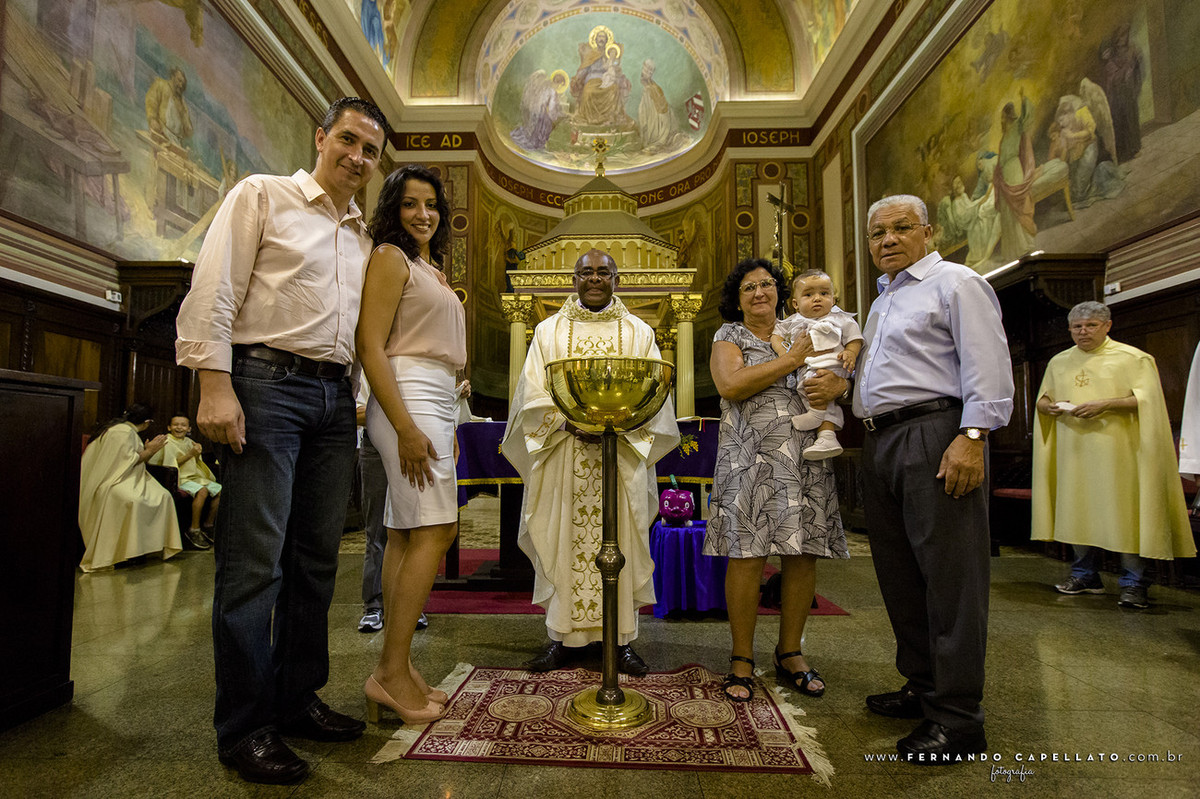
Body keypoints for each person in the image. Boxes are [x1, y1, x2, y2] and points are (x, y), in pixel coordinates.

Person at [175, 97, 388, 785]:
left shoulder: (361, 238)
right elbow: (216, 286)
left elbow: (358, 330)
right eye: (348, 141)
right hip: (265, 382)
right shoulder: (262, 195)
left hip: (331, 399)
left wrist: (353, 397)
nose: (357, 157)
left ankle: (296, 698)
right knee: (253, 564)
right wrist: (215, 383)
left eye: (370, 152)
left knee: (314, 560)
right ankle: (245, 725)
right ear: (321, 137)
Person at [850, 194, 1013, 764]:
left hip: (937, 433)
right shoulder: (883, 300)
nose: (888, 240)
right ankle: (923, 686)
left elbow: (986, 362)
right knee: (901, 576)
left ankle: (959, 720)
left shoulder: (957, 283)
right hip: (882, 439)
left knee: (951, 579)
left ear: (928, 231)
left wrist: (973, 436)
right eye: (877, 233)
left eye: (900, 229)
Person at [501, 248, 679, 675]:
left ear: (617, 279)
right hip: (565, 453)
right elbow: (531, 392)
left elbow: (655, 396)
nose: (595, 279)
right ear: (573, 278)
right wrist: (565, 424)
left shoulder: (639, 333)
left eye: (603, 272)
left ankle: (622, 641)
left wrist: (617, 425)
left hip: (620, 456)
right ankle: (560, 637)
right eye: (586, 272)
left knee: (625, 540)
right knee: (561, 537)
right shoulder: (548, 332)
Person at [707, 258, 849, 703]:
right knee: (747, 556)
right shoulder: (729, 336)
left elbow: (839, 369)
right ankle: (742, 657)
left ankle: (791, 652)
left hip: (805, 455)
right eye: (748, 288)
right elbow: (730, 385)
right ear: (737, 299)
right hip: (748, 456)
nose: (758, 293)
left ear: (780, 292)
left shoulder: (805, 327)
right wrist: (789, 360)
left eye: (766, 285)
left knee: (802, 552)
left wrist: (837, 388)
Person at [357, 164, 463, 725]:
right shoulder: (389, 257)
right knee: (436, 530)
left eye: (431, 205)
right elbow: (371, 346)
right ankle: (392, 672)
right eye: (409, 205)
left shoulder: (427, 265)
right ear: (391, 210)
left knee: (403, 533)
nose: (423, 214)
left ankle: (392, 667)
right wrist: (405, 426)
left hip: (434, 397)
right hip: (408, 394)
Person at [1032, 301, 1194, 608]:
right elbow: (1043, 400)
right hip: (1075, 452)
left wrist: (1106, 403)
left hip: (1120, 453)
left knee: (1124, 514)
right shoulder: (1059, 361)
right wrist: (1049, 407)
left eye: (1091, 325)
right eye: (1077, 327)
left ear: (1107, 326)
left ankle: (1133, 583)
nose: (1083, 332)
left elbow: (1148, 402)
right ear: (1069, 329)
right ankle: (1085, 575)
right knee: (1077, 511)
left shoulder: (1134, 358)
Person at [769, 269, 863, 460]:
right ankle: (827, 436)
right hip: (807, 365)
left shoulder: (840, 319)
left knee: (816, 385)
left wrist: (850, 352)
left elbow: (855, 338)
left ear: (834, 299)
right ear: (795, 304)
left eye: (824, 293)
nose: (817, 298)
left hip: (834, 364)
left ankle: (820, 422)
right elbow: (776, 335)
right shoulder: (794, 321)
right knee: (808, 387)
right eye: (809, 294)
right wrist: (783, 352)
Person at [79, 403, 183, 572]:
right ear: (147, 421)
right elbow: (124, 462)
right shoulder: (122, 432)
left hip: (128, 477)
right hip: (110, 481)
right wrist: (150, 451)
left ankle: (146, 550)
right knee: (134, 501)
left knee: (163, 496)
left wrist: (146, 450)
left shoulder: (124, 430)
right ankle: (128, 553)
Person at [150, 414, 221, 549]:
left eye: (183, 425)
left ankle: (208, 524)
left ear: (189, 428)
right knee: (203, 491)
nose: (179, 427)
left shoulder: (189, 442)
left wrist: (197, 453)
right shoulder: (167, 442)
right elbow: (171, 465)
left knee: (220, 490)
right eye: (176, 424)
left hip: (193, 477)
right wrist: (190, 454)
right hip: (179, 478)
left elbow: (196, 463)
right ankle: (194, 529)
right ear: (169, 427)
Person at [144, 67, 193, 147]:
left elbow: (188, 130)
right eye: (179, 81)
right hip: (161, 135)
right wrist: (152, 119)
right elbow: (151, 101)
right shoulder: (160, 84)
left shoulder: (182, 102)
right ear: (172, 77)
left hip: (176, 143)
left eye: (183, 84)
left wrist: (184, 118)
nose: (180, 85)